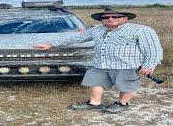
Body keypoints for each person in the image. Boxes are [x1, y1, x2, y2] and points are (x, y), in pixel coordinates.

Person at [34, 8, 163, 114]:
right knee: (94, 82)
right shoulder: (96, 30)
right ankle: (94, 104)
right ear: (102, 20)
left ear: (125, 18)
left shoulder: (141, 30)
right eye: (106, 17)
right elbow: (77, 38)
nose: (110, 19)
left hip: (126, 65)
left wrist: (149, 65)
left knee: (126, 85)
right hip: (100, 64)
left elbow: (153, 48)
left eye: (115, 16)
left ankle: (123, 104)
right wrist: (52, 44)